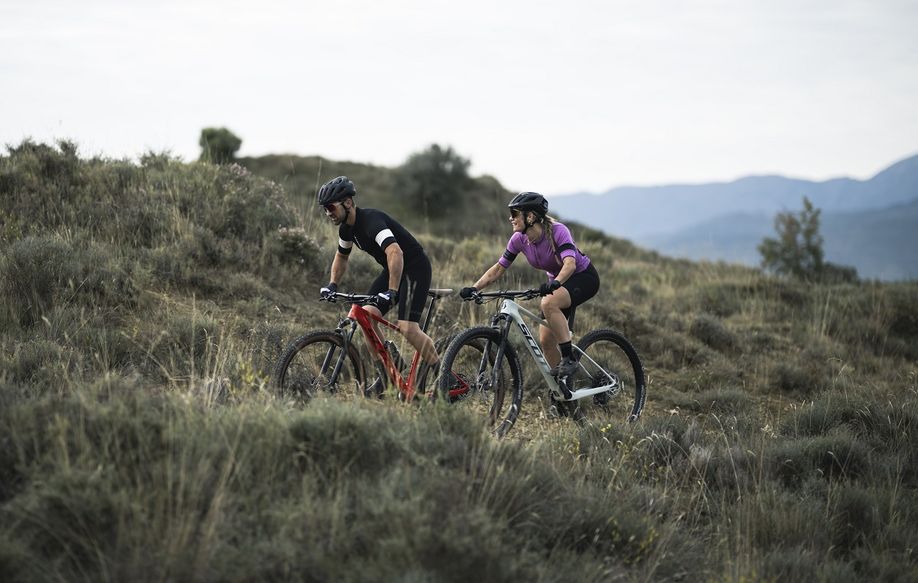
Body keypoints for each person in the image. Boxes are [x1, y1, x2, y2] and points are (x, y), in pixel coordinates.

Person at [459, 192, 599, 381]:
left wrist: (556, 283)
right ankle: (562, 389)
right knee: (546, 340)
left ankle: (569, 359)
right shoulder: (518, 239)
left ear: (530, 217)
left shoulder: (558, 231)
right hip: (557, 284)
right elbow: (499, 268)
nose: (510, 218)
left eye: (514, 214)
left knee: (548, 303)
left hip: (583, 277)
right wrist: (475, 288)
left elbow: (570, 264)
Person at [317, 176, 439, 383]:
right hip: (393, 270)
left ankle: (444, 376)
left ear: (348, 203)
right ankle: (388, 375)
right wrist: (332, 284)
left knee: (408, 327)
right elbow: (341, 256)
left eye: (330, 207)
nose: (328, 213)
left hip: (415, 268)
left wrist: (392, 291)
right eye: (324, 209)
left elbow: (395, 252)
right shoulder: (346, 229)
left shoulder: (371, 221)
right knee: (366, 316)